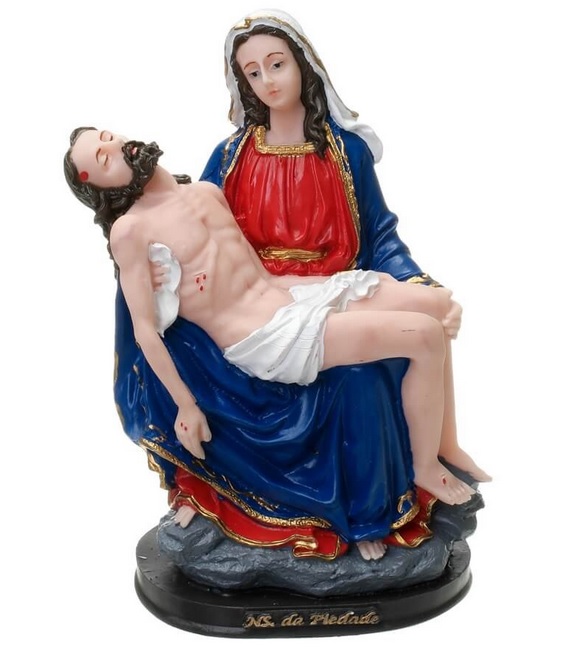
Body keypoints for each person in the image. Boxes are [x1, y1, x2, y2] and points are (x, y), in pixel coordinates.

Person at [65, 127, 488, 560]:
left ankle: (447, 445)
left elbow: (261, 276)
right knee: (423, 335)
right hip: (262, 337)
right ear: (98, 187)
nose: (114, 147)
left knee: (432, 303)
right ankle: (425, 467)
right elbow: (144, 329)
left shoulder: (206, 193)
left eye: (107, 137)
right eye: (102, 159)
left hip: (285, 297)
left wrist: (334, 286)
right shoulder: (131, 230)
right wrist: (185, 407)